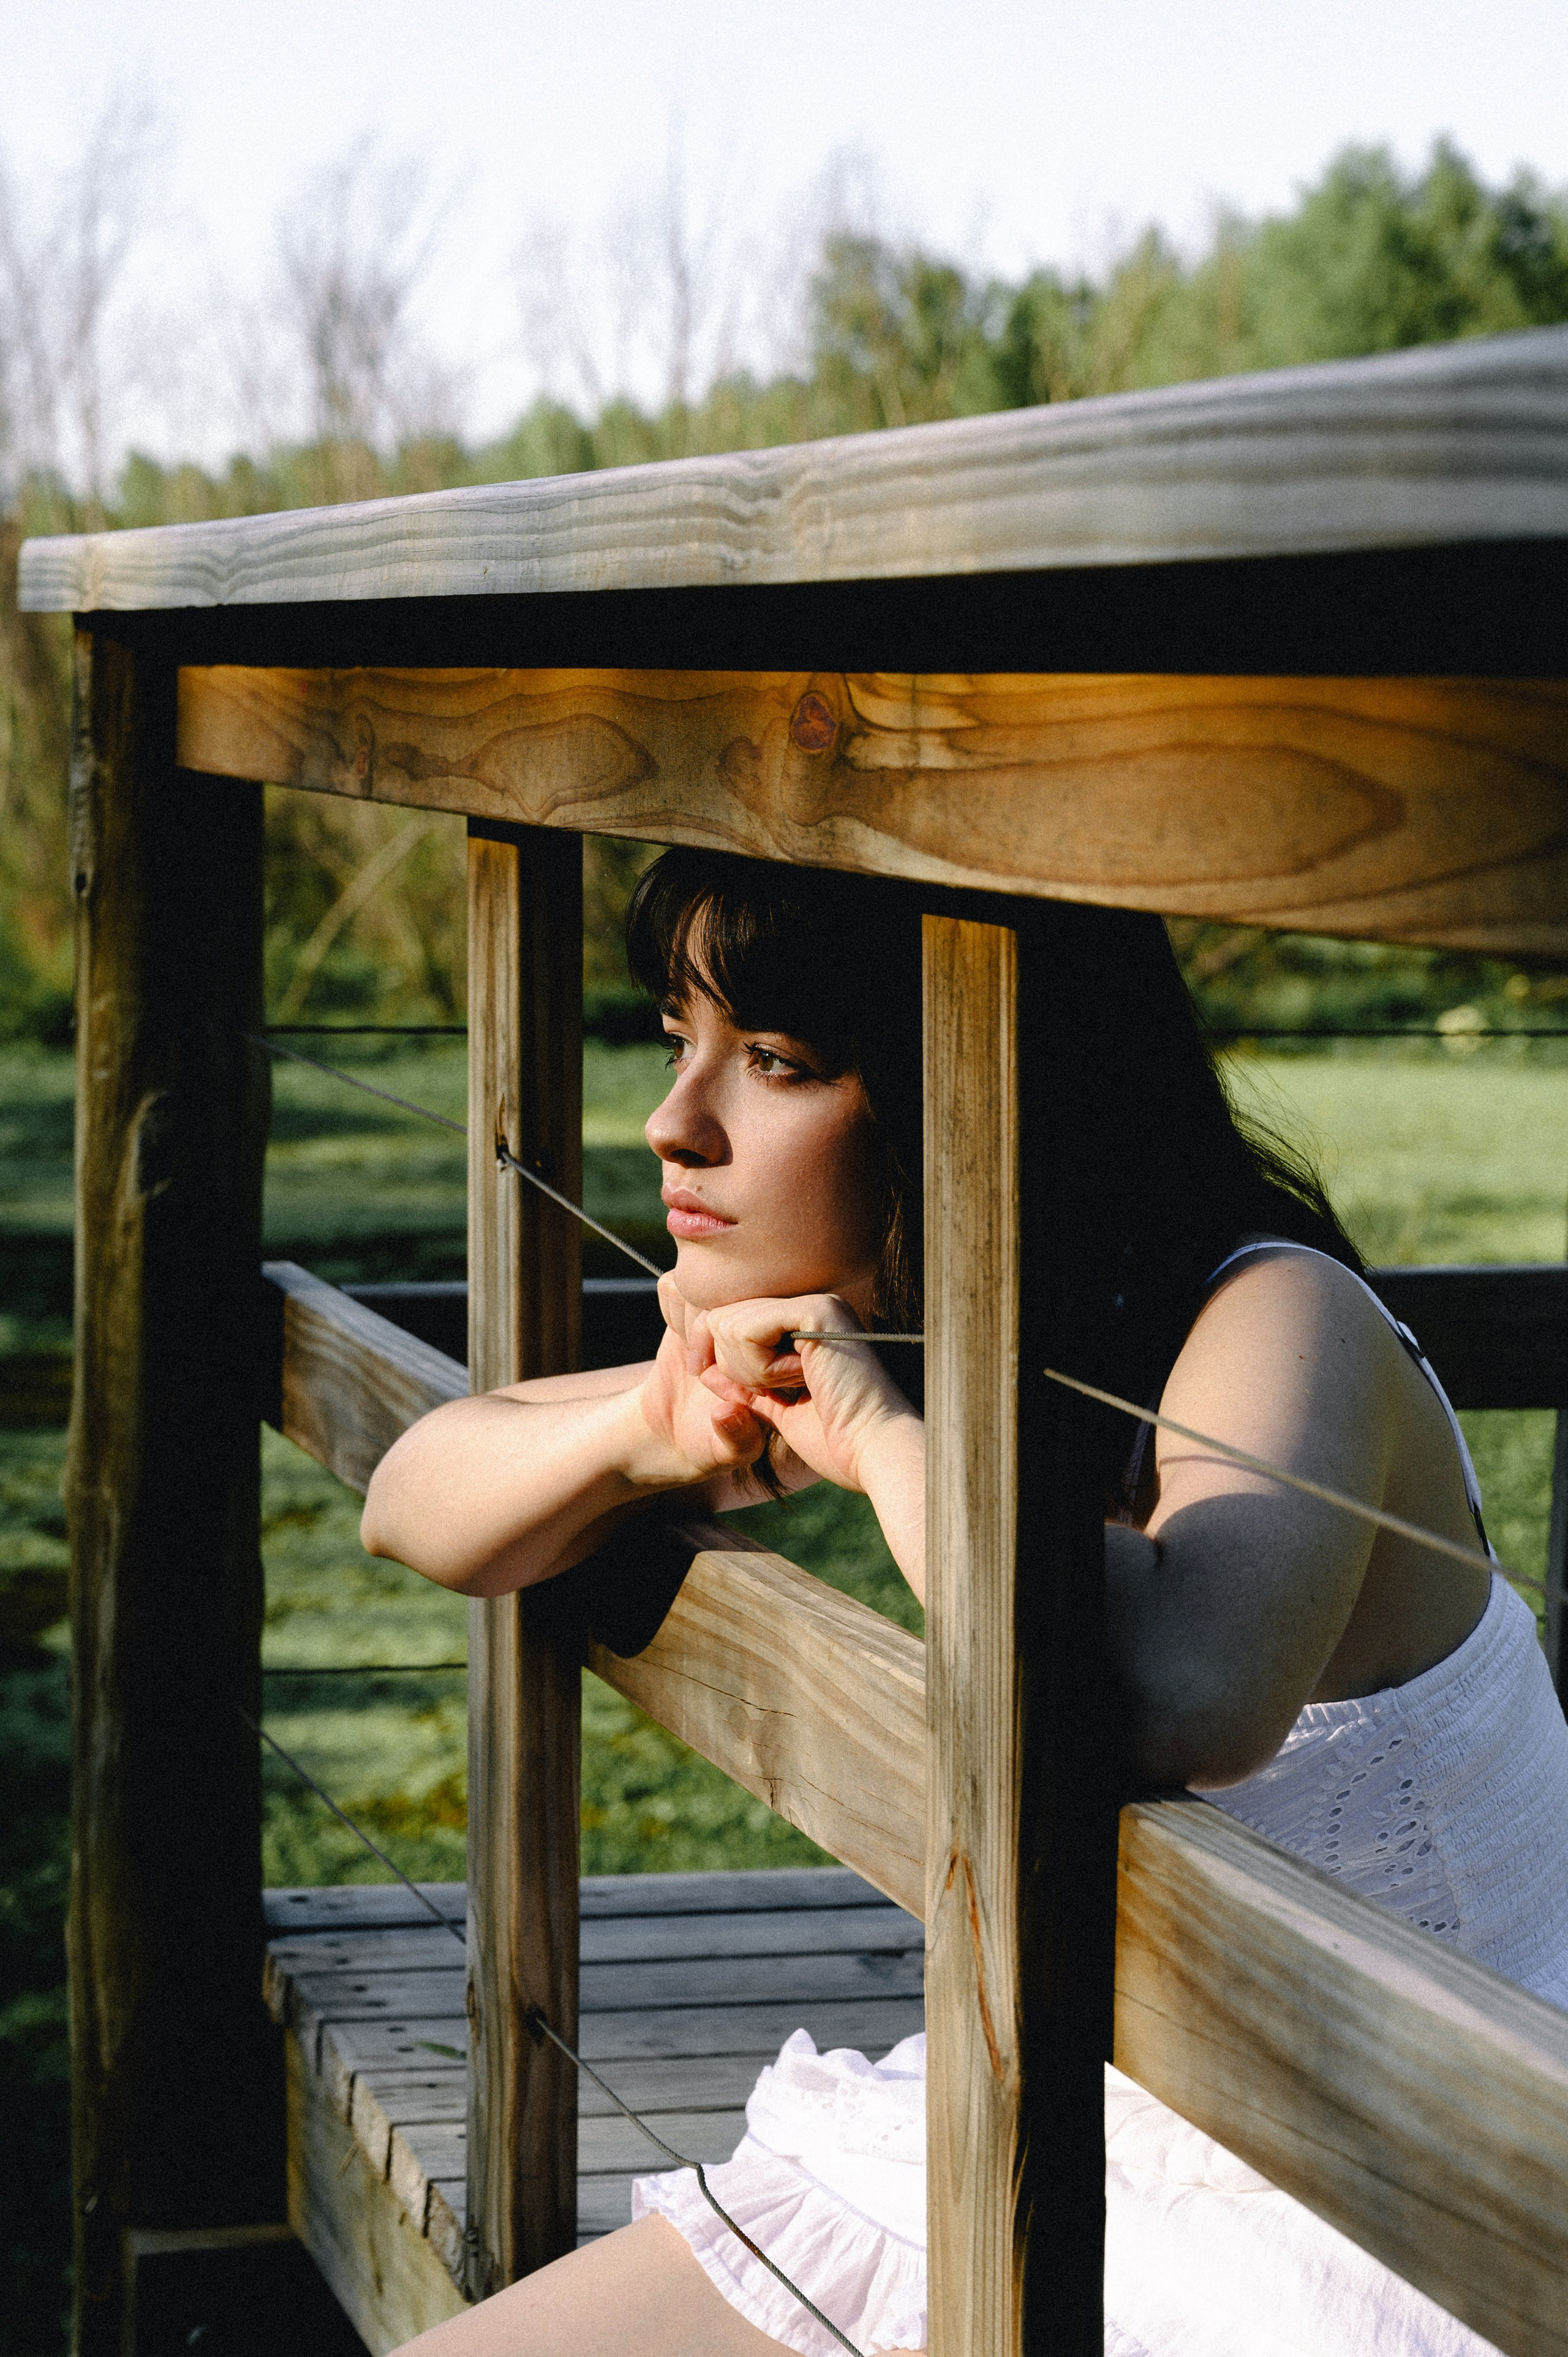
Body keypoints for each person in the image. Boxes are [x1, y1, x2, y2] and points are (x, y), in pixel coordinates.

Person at [364, 850, 1568, 2357]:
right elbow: (412, 1496)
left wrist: (882, 1442)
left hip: (1406, 2211)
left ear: (992, 1086)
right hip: (1068, 2117)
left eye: (775, 1060)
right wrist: (654, 1430)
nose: (674, 1121)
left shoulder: (1280, 1310)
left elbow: (1184, 1694)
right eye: (679, 1041)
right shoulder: (916, 1326)